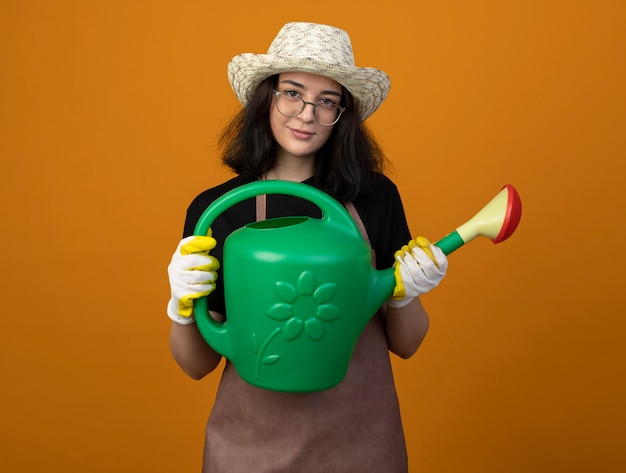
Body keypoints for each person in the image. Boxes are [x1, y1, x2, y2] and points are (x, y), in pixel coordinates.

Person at [167, 22, 448, 472]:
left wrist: (406, 293)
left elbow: (407, 344)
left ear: (343, 115)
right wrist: (181, 305)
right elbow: (196, 365)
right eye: (292, 93)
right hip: (251, 447)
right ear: (266, 98)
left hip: (360, 445)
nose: (307, 114)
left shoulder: (375, 198)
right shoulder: (219, 211)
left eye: (327, 102)